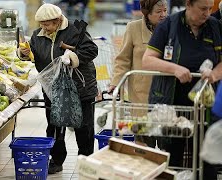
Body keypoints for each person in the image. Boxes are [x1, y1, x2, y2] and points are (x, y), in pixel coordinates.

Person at [142, 0, 222, 178]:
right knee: (172, 159)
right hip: (173, 107)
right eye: (203, 8)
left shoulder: (215, 27)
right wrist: (174, 68)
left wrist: (215, 74)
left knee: (207, 161)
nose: (207, 13)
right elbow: (147, 60)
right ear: (188, 4)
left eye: (210, 8)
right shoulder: (168, 26)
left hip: (205, 107)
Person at [18, 3, 98, 174]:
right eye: (41, 24)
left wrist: (74, 57)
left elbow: (92, 50)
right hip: (53, 88)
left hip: (80, 87)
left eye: (47, 24)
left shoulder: (75, 31)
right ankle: (56, 159)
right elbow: (32, 55)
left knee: (83, 127)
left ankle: (86, 162)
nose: (44, 28)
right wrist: (23, 53)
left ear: (58, 20)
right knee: (54, 125)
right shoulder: (37, 35)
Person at [108, 0, 168, 104]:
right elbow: (123, 59)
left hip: (166, 89)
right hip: (140, 91)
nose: (163, 15)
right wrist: (116, 82)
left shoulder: (171, 28)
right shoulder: (133, 28)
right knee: (140, 119)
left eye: (165, 11)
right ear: (147, 13)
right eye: (158, 12)